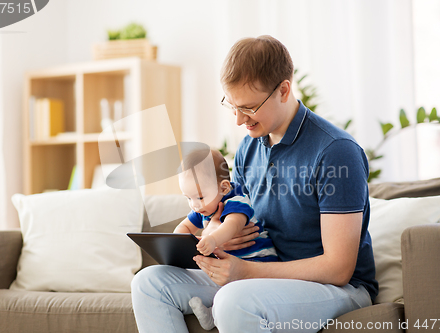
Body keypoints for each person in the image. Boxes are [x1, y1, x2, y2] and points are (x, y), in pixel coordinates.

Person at [131, 35, 378, 333]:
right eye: (231, 106)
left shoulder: (336, 151)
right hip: (262, 276)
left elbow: (338, 269)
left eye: (248, 108)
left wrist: (246, 271)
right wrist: (221, 234)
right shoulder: (249, 148)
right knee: (149, 283)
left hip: (338, 289)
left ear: (283, 90)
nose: (238, 120)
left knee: (233, 301)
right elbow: (236, 214)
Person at [175, 148, 278, 330]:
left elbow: (232, 225)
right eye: (188, 198)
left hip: (258, 264)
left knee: (234, 292)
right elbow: (184, 227)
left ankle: (213, 313)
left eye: (199, 197)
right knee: (221, 276)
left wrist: (213, 239)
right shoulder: (203, 207)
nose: (194, 205)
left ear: (224, 187)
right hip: (230, 267)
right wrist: (174, 242)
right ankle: (211, 315)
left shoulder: (237, 201)